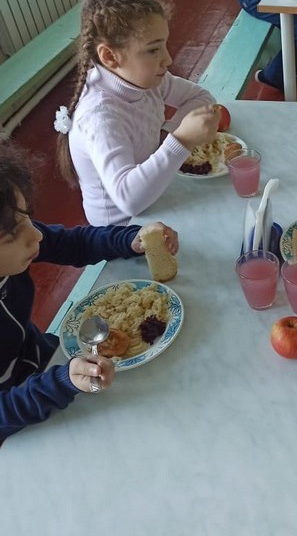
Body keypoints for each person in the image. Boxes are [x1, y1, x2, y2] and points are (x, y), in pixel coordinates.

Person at [0, 141, 178, 441]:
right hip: (19, 427)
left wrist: (128, 239)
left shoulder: (20, 238)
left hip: (46, 362)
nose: (36, 235)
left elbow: (73, 242)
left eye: (27, 218)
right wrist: (60, 383)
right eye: (13, 233)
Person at [56, 0, 220, 226]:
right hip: (122, 229)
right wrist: (181, 140)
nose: (167, 59)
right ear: (109, 56)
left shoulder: (144, 80)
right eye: (153, 50)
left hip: (155, 197)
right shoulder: (100, 117)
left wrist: (167, 133)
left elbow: (202, 98)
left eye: (164, 45)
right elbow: (129, 200)